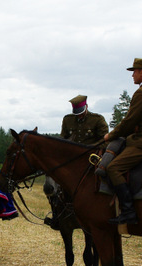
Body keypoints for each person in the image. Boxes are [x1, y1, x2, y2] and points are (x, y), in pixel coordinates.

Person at [103, 58, 142, 225]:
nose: (132, 75)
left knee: (113, 168)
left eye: (135, 71)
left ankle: (128, 212)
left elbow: (129, 121)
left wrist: (111, 136)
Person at [45, 95, 108, 230]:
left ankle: (103, 211)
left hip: (91, 159)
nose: (79, 116)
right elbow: (63, 139)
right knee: (54, 179)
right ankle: (57, 215)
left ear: (86, 107)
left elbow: (105, 140)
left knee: (103, 178)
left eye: (81, 112)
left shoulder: (97, 119)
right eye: (77, 113)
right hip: (72, 160)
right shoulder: (68, 120)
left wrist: (88, 149)